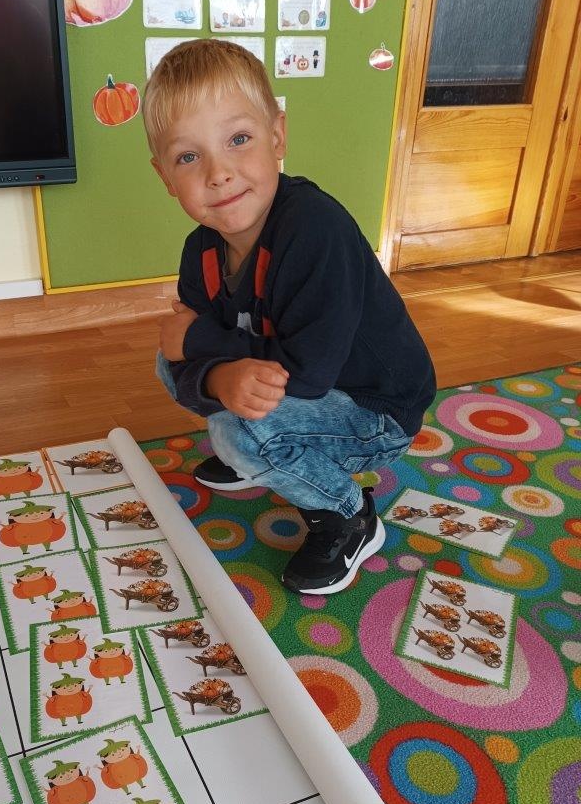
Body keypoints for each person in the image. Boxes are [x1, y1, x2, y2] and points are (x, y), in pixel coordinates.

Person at [143, 39, 436, 595]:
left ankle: (349, 514)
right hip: (303, 384)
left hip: (376, 408)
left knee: (236, 429)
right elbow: (186, 357)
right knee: (169, 359)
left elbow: (309, 372)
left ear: (277, 136)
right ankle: (261, 448)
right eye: (188, 157)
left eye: (238, 140)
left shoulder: (315, 229)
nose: (218, 173)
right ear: (165, 176)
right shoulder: (199, 250)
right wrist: (215, 374)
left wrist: (208, 356)